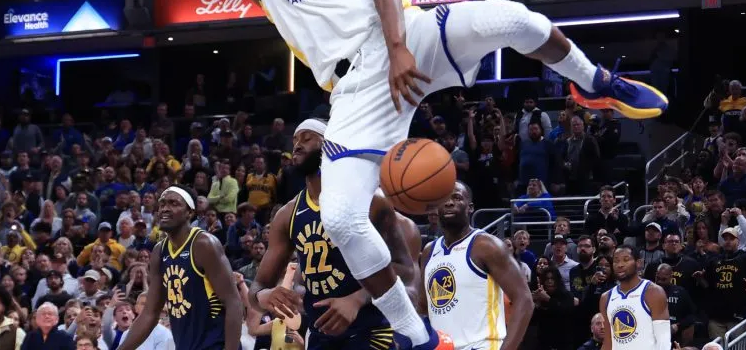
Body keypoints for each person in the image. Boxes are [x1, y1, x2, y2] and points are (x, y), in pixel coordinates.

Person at [138, 0, 667, 350]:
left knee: (516, 19)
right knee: (341, 220)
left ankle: (595, 84)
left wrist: (397, 48)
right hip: (354, 89)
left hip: (405, 34)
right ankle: (417, 334)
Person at [248, 118, 422, 349]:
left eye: (307, 138)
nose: (297, 145)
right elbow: (256, 290)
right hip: (321, 338)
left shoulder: (370, 202)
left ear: (329, 146)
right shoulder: (287, 215)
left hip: (373, 332)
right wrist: (265, 296)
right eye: (295, 140)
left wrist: (357, 300)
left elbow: (407, 273)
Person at [117, 185, 242, 350]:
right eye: (162, 204)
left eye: (173, 204)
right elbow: (149, 314)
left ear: (189, 213)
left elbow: (233, 302)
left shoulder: (203, 244)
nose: (164, 209)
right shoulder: (159, 252)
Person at [418, 181, 533, 350]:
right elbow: (423, 307)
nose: (449, 202)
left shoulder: (487, 246)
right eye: (444, 199)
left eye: (457, 198)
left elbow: (524, 299)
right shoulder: (429, 251)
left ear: (470, 207)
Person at [599, 246, 671, 350]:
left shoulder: (653, 292)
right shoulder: (606, 298)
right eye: (616, 261)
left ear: (638, 263)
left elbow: (663, 341)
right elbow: (608, 342)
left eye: (626, 260)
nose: (620, 265)